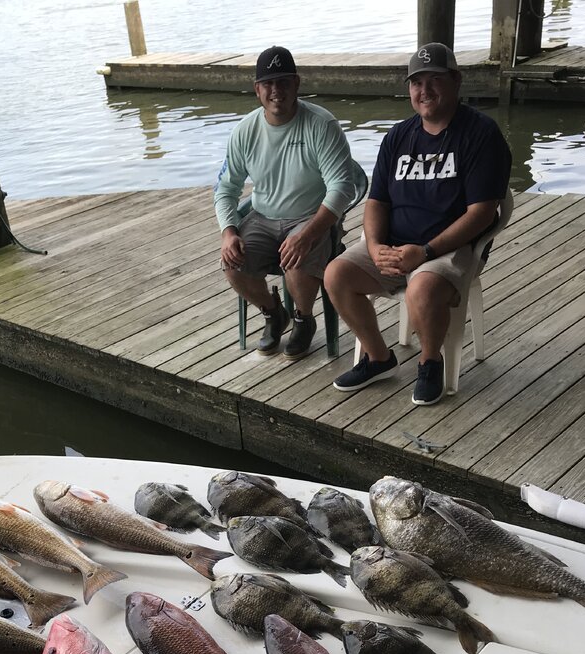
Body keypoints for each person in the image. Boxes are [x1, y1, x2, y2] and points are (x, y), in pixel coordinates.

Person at [326, 42, 512, 405]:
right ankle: (378, 358)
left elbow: (482, 213)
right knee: (336, 275)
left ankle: (430, 362)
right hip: (396, 244)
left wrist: (425, 252)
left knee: (421, 290)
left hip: (449, 249)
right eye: (416, 82)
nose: (424, 90)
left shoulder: (481, 134)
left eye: (434, 80)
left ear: (456, 81)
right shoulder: (398, 136)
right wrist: (375, 246)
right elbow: (377, 201)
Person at [214, 46, 355, 360]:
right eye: (268, 83)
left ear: (296, 83)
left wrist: (307, 234)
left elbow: (342, 187)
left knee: (296, 260)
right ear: (257, 90)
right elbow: (225, 188)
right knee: (231, 262)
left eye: (283, 82)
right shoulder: (244, 131)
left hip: (311, 215)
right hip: (262, 215)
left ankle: (304, 318)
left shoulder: (321, 124)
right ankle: (273, 312)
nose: (276, 90)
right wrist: (228, 232)